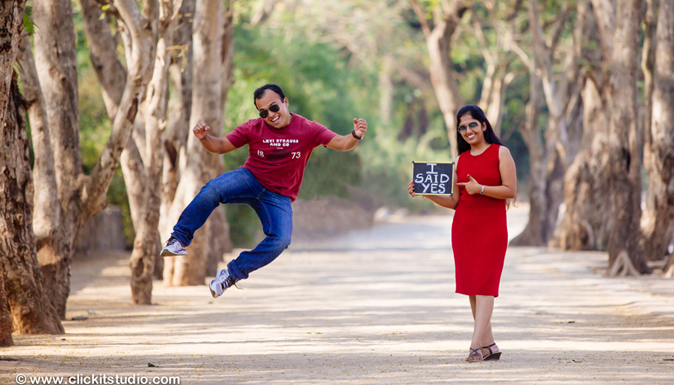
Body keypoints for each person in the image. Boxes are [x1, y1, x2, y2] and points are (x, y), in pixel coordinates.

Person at [160, 84, 368, 298]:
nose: (270, 115)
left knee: (281, 239)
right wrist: (205, 138)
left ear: (285, 102)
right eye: (263, 112)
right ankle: (178, 239)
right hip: (250, 179)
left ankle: (231, 274)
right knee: (212, 189)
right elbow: (220, 146)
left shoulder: (308, 128)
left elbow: (342, 143)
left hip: (278, 195)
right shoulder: (253, 127)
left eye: (274, 107)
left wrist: (355, 134)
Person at [407, 104, 516, 363]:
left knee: (486, 285)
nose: (468, 131)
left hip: (492, 227)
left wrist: (480, 189)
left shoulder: (501, 153)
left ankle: (475, 345)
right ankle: (489, 344)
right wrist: (427, 192)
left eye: (472, 125)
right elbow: (455, 201)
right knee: (472, 286)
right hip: (464, 227)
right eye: (463, 128)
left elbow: (510, 190)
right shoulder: (459, 161)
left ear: (484, 125)